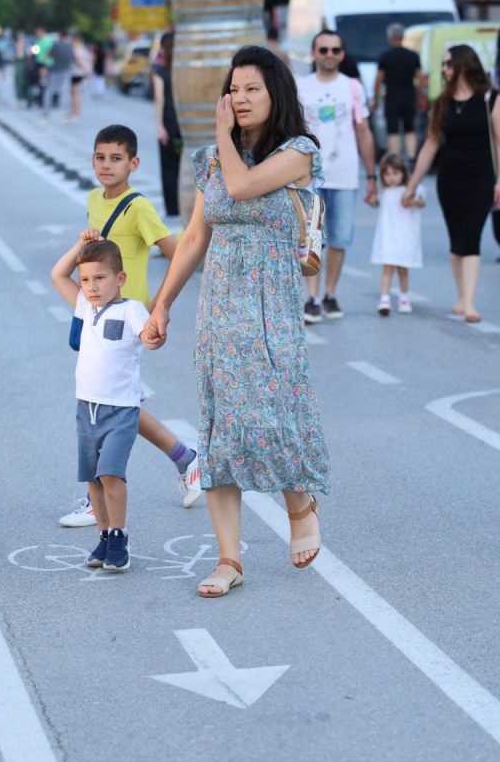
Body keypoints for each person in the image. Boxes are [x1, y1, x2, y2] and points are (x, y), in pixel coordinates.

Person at [143, 45, 330, 598]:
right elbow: (194, 239)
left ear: (276, 94)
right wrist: (162, 304)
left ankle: (299, 500)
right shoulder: (210, 161)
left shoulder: (299, 152)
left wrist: (223, 136)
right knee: (220, 431)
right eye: (234, 89)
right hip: (220, 310)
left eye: (252, 89)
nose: (240, 98)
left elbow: (245, 186)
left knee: (273, 415)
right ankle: (229, 559)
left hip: (271, 309)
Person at [58, 123, 201, 527]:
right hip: (95, 310)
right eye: (100, 157)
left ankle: (100, 498)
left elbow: (177, 253)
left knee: (111, 402)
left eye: (116, 158)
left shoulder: (138, 207)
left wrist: (157, 306)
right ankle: (186, 459)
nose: (107, 165)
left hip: (125, 318)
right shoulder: (93, 199)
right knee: (116, 402)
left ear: (134, 164)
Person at [51, 239, 152, 572]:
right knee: (93, 480)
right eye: (85, 279)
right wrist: (80, 245)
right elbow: (58, 274)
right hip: (87, 409)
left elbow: (148, 336)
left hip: (120, 410)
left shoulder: (131, 310)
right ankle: (104, 536)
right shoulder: (85, 306)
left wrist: (154, 337)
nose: (91, 287)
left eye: (100, 278)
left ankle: (119, 536)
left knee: (110, 473)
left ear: (120, 279)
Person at [402, 45, 500, 323]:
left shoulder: (491, 99)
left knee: (471, 236)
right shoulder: (441, 103)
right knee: (456, 240)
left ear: (463, 65)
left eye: (448, 64)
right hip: (449, 180)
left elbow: (499, 141)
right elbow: (430, 146)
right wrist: (411, 186)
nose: (443, 69)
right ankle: (461, 295)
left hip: (481, 179)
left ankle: (469, 303)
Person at [296, 30, 377, 323]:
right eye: (323, 50)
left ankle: (330, 294)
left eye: (335, 50)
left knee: (340, 238)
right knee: (313, 239)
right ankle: (312, 298)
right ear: (314, 53)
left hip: (345, 174)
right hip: (309, 177)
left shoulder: (352, 87)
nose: (329, 55)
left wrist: (372, 176)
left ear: (342, 54)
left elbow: (363, 131)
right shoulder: (300, 87)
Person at [369, 153, 425, 316]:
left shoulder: (409, 190)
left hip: (405, 237)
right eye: (387, 174)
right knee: (387, 268)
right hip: (388, 236)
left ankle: (404, 297)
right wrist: (372, 200)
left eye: (395, 173)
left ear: (403, 173)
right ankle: (384, 299)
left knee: (402, 268)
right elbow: (375, 202)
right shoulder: (384, 192)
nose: (391, 178)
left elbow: (421, 202)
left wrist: (413, 201)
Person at [372, 23, 422, 163]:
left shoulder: (385, 57)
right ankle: (411, 158)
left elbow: (378, 80)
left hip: (392, 98)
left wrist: (376, 99)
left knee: (392, 130)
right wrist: (420, 98)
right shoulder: (413, 56)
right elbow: (419, 80)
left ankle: (395, 160)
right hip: (409, 97)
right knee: (410, 128)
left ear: (390, 38)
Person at [153, 31, 182, 218]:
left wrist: (159, 125)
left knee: (169, 167)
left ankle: (173, 208)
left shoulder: (160, 70)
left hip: (169, 122)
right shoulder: (184, 69)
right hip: (185, 122)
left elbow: (159, 98)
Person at [43, 31, 74, 120]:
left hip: (55, 71)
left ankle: (46, 111)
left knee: (49, 91)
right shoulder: (69, 46)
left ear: (60, 36)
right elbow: (72, 58)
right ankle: (66, 113)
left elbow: (48, 55)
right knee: (65, 92)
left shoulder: (55, 45)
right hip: (66, 71)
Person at [70, 34, 91, 121]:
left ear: (75, 40)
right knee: (75, 93)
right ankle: (75, 112)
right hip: (78, 73)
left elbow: (78, 61)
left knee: (75, 93)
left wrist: (84, 68)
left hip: (76, 73)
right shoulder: (83, 49)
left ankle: (75, 113)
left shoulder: (76, 49)